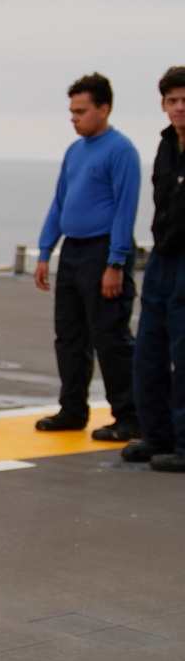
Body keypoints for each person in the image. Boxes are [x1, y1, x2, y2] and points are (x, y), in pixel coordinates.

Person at [34, 73, 141, 440]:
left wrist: (116, 262)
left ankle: (129, 415)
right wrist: (45, 250)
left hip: (103, 250)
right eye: (71, 111)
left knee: (110, 337)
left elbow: (126, 209)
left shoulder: (121, 150)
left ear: (104, 108)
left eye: (81, 111)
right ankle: (73, 409)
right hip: (74, 251)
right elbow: (60, 202)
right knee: (69, 336)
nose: (74, 117)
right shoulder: (74, 151)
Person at [122, 67, 185, 472]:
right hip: (162, 258)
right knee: (149, 350)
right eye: (172, 100)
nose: (179, 108)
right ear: (163, 105)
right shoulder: (165, 146)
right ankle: (157, 433)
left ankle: (183, 444)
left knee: (184, 355)